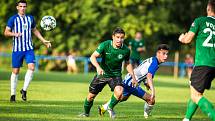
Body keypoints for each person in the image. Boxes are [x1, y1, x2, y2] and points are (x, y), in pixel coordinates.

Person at [98, 44, 169, 119]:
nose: (166, 56)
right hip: (132, 82)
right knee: (151, 99)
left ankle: (103, 108)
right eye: (163, 54)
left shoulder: (153, 60)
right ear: (158, 53)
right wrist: (153, 91)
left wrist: (145, 83)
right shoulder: (154, 63)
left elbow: (143, 72)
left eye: (167, 54)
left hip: (130, 79)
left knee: (122, 97)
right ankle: (147, 116)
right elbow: (149, 76)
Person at [79, 27, 137, 118]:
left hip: (115, 75)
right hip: (102, 74)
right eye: (117, 37)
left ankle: (109, 107)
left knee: (119, 91)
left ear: (124, 38)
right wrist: (98, 67)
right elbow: (93, 57)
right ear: (113, 37)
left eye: (122, 37)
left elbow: (127, 63)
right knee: (90, 96)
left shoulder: (126, 50)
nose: (119, 39)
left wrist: (133, 77)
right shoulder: (105, 45)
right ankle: (86, 114)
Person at [4, 0, 51, 102]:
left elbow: (34, 30)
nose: (22, 8)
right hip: (17, 49)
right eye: (20, 6)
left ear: (26, 7)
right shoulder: (13, 19)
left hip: (28, 48)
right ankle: (13, 94)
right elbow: (6, 32)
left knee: (32, 67)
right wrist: (14, 34)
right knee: (15, 71)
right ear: (17, 7)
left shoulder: (30, 18)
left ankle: (24, 90)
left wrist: (43, 41)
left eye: (24, 6)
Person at [179, 0, 215, 120]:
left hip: (203, 64)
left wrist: (182, 38)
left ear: (208, 8)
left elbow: (188, 40)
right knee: (196, 93)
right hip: (213, 64)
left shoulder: (200, 20)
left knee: (196, 96)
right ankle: (186, 119)